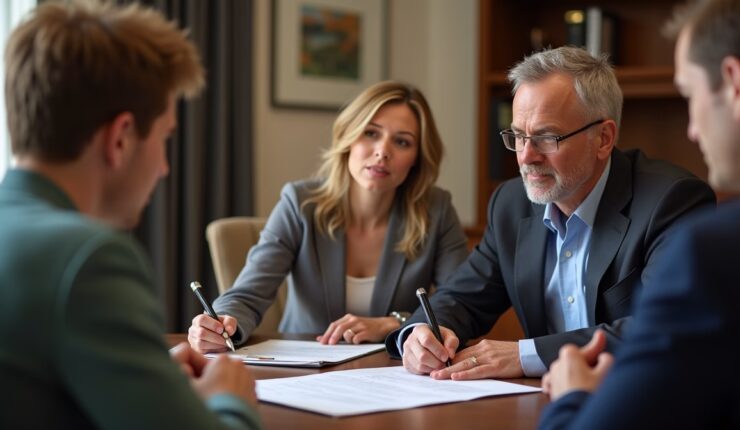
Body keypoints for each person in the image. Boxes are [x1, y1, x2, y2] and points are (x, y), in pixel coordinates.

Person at [0, 1, 260, 429]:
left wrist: (147, 381)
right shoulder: (87, 260)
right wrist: (230, 400)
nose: (164, 168)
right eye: (165, 138)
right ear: (121, 138)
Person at [387, 46, 716, 380]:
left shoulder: (671, 201)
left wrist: (525, 355)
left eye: (546, 137)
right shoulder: (511, 203)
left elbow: (665, 326)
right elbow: (462, 297)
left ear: (603, 138)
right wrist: (422, 333)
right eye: (518, 136)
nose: (526, 157)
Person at [538, 0, 740, 428]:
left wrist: (572, 396)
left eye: (690, 95)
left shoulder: (715, 253)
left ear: (736, 86)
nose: (692, 130)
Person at [187, 81, 469, 352]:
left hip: (393, 373)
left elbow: (459, 304)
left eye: (402, 142)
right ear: (348, 138)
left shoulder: (437, 210)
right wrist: (221, 325)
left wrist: (395, 323)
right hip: (303, 372)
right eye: (370, 133)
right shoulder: (299, 203)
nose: (383, 151)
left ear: (417, 158)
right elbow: (247, 296)